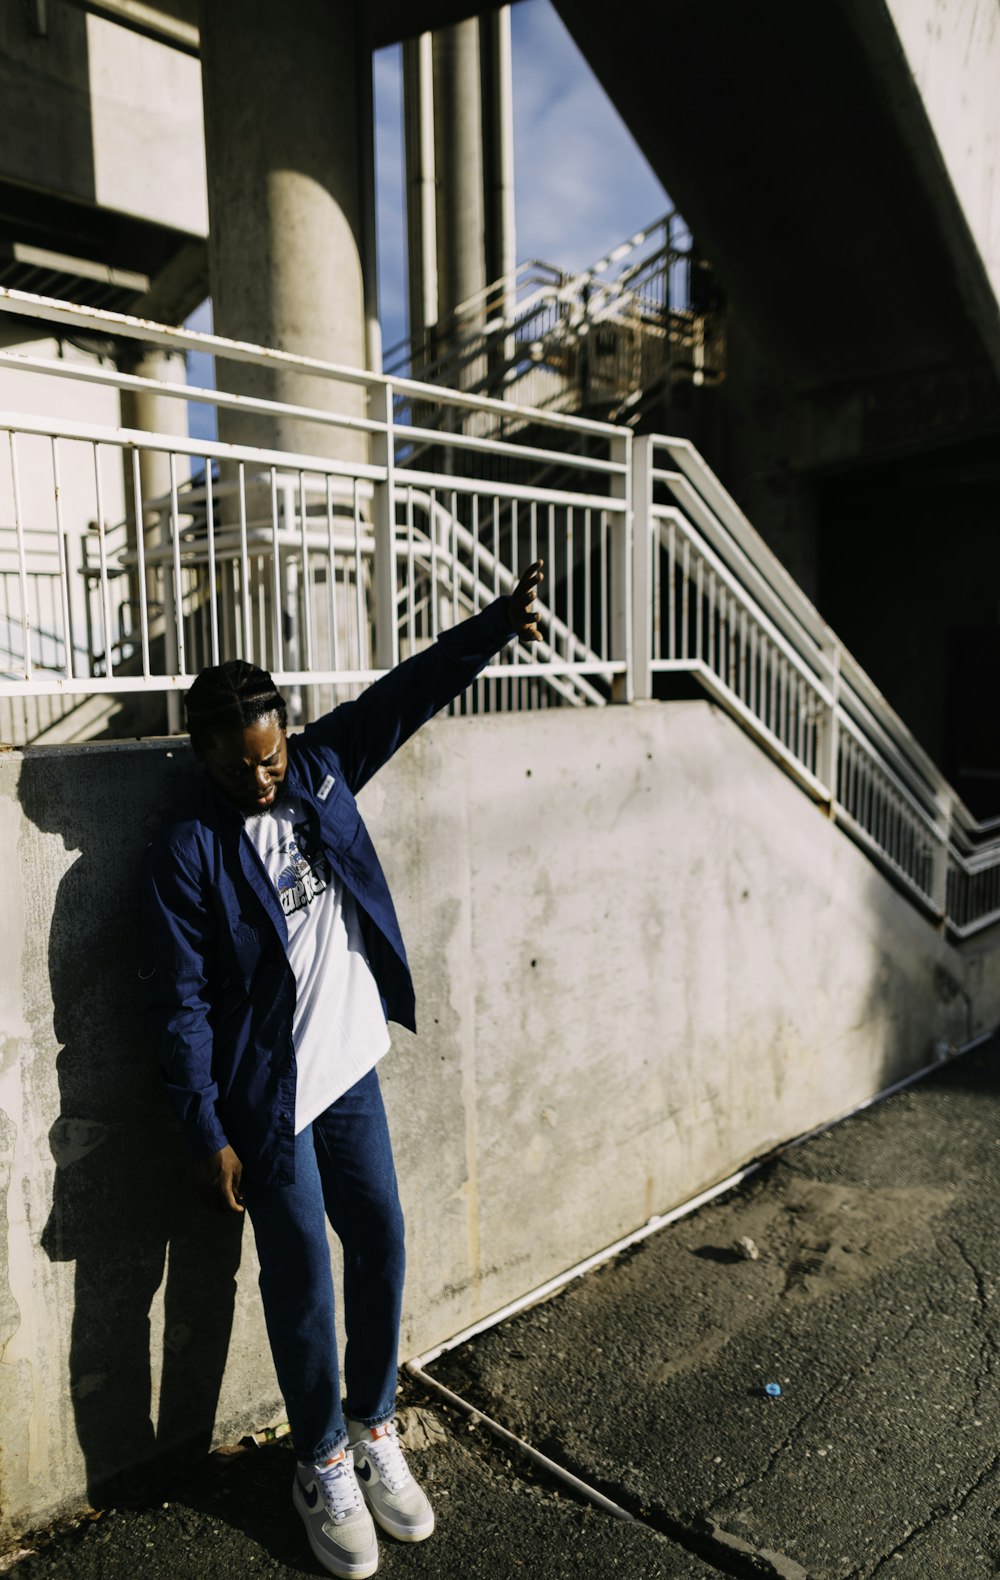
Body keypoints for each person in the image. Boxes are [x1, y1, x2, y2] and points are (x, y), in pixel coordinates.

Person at [138, 564, 543, 1580]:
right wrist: (205, 1129)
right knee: (303, 1281)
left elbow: (405, 692)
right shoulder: (187, 851)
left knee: (381, 1240)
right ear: (205, 754)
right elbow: (177, 1000)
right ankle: (317, 1457)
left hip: (349, 1064)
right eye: (242, 765)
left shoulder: (321, 768)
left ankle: (373, 1426)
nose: (263, 777)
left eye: (271, 755)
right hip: (265, 1098)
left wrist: (494, 627)